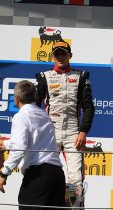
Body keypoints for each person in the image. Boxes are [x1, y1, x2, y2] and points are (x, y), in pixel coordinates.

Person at [36, 41, 95, 207]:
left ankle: (74, 207)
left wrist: (83, 131)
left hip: (73, 132)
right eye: (57, 54)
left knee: (76, 179)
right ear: (53, 56)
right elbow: (34, 107)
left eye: (63, 53)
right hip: (50, 132)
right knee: (46, 174)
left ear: (70, 55)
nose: (60, 57)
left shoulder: (81, 76)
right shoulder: (44, 77)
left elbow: (88, 107)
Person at [0, 80, 65, 209]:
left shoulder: (21, 116)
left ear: (16, 99)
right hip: (57, 176)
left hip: (38, 176)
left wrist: (4, 173)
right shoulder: (44, 115)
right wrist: (5, 144)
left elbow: (20, 148)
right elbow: (33, 141)